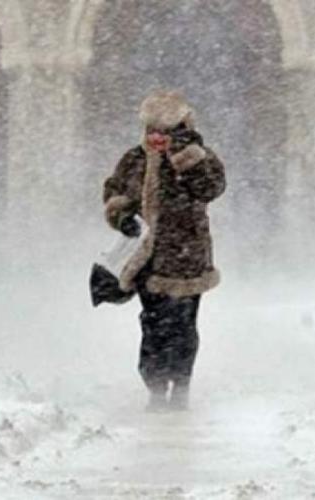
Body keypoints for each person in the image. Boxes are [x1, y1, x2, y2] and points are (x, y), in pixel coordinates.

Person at [102, 91, 226, 411]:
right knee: (153, 324)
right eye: (152, 131)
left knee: (184, 326)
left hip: (186, 256)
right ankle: (156, 386)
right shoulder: (134, 160)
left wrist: (188, 156)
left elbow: (211, 188)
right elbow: (114, 191)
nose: (158, 138)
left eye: (166, 131)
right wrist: (121, 216)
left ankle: (181, 385)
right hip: (148, 258)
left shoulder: (198, 159)